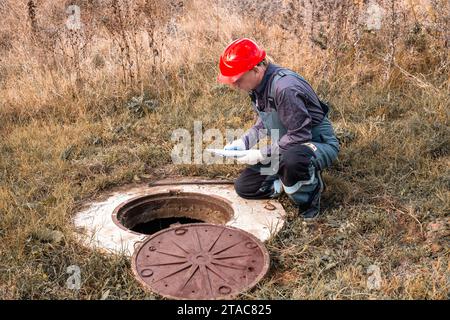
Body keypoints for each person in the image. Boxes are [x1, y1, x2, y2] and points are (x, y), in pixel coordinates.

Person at [217, 38, 340, 219]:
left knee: (293, 159)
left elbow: (300, 135)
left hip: (314, 143)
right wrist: (243, 142)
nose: (235, 85)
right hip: (288, 145)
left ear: (256, 70)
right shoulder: (258, 87)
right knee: (245, 187)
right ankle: (285, 181)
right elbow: (264, 122)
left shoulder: (285, 87)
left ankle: (309, 198)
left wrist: (261, 154)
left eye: (238, 79)